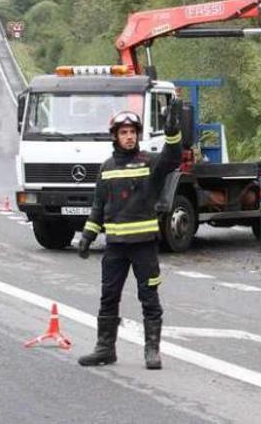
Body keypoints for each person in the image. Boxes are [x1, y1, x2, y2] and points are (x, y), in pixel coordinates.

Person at [77, 99, 182, 370]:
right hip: (115, 248)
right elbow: (99, 206)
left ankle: (152, 351)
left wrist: (172, 132)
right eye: (123, 133)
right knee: (108, 296)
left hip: (144, 247)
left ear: (137, 135)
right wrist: (88, 236)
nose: (129, 137)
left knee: (149, 297)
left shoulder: (150, 162)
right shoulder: (107, 167)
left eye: (132, 132)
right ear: (115, 136)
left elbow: (173, 158)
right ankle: (105, 348)